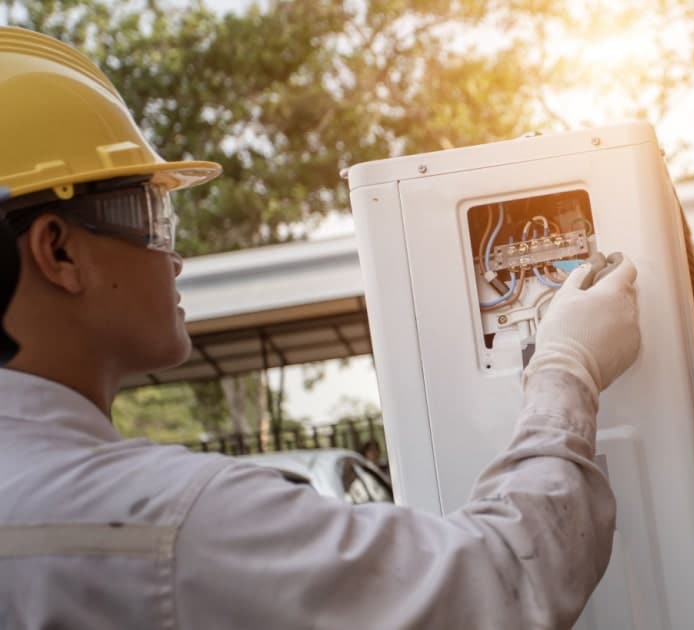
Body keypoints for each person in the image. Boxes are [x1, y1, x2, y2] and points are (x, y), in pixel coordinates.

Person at [0, 27, 641, 629]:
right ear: (58, 250)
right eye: (153, 216)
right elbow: (499, 579)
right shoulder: (170, 524)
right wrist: (567, 366)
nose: (174, 259)